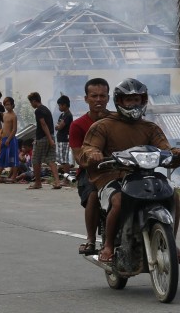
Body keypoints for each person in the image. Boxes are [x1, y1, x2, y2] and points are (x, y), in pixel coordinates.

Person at [79, 78, 180, 266]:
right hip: (111, 175)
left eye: (137, 100)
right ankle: (108, 245)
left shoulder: (150, 127)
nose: (133, 104)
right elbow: (88, 148)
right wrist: (94, 153)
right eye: (128, 100)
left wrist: (178, 153)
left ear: (143, 100)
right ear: (119, 101)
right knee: (118, 200)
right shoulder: (103, 125)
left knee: (173, 195)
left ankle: (172, 242)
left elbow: (166, 149)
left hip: (143, 175)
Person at [69, 78, 110, 255]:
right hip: (90, 172)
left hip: (117, 169)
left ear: (108, 98)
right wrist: (91, 158)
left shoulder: (117, 120)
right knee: (94, 194)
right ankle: (91, 239)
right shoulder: (77, 125)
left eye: (102, 96)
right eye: (94, 96)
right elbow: (78, 156)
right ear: (86, 99)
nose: (98, 99)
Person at [27, 92, 61, 189]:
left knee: (35, 160)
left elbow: (43, 124)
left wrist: (49, 139)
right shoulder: (46, 109)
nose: (31, 105)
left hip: (43, 138)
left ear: (34, 101)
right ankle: (57, 182)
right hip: (51, 136)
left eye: (31, 102)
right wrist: (51, 138)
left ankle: (38, 183)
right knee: (51, 160)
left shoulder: (38, 110)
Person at [0, 97, 20, 183]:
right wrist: (1, 132)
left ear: (12, 105)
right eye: (5, 105)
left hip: (11, 140)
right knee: (2, 157)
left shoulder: (14, 116)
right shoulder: (4, 115)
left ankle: (14, 177)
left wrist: (9, 139)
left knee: (13, 158)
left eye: (8, 104)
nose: (7, 106)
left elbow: (14, 129)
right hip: (4, 139)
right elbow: (4, 126)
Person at [54, 94, 73, 179]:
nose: (59, 107)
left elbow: (59, 126)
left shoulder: (68, 115)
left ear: (64, 105)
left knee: (65, 161)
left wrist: (58, 126)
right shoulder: (62, 115)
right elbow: (57, 126)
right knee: (61, 160)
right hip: (60, 139)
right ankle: (64, 177)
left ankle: (66, 179)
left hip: (64, 139)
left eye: (60, 105)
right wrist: (58, 126)